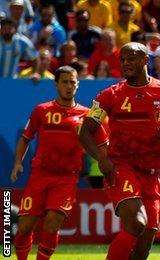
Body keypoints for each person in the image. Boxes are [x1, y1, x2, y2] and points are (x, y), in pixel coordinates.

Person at [79, 42, 160, 260]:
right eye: (123, 59)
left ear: (145, 60)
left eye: (132, 58)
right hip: (121, 167)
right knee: (137, 223)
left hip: (151, 174)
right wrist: (102, 159)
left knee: (142, 250)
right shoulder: (109, 95)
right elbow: (85, 132)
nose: (126, 63)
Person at [12, 66, 108, 260]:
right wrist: (17, 163)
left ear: (78, 85)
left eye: (72, 82)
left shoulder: (87, 116)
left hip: (66, 178)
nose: (69, 86)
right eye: (64, 82)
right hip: (40, 175)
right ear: (56, 84)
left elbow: (103, 146)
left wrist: (105, 162)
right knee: (24, 226)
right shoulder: (42, 110)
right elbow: (25, 137)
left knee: (52, 221)